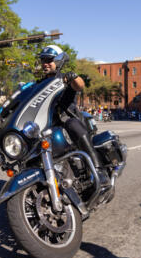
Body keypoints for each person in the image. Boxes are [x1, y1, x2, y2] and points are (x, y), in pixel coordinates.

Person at [38, 45, 110, 185]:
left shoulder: (65, 78)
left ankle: (98, 169)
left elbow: (80, 85)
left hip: (67, 119)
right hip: (47, 123)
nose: (45, 63)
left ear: (58, 60)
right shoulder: (40, 84)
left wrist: (74, 77)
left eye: (49, 60)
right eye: (43, 60)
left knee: (73, 125)